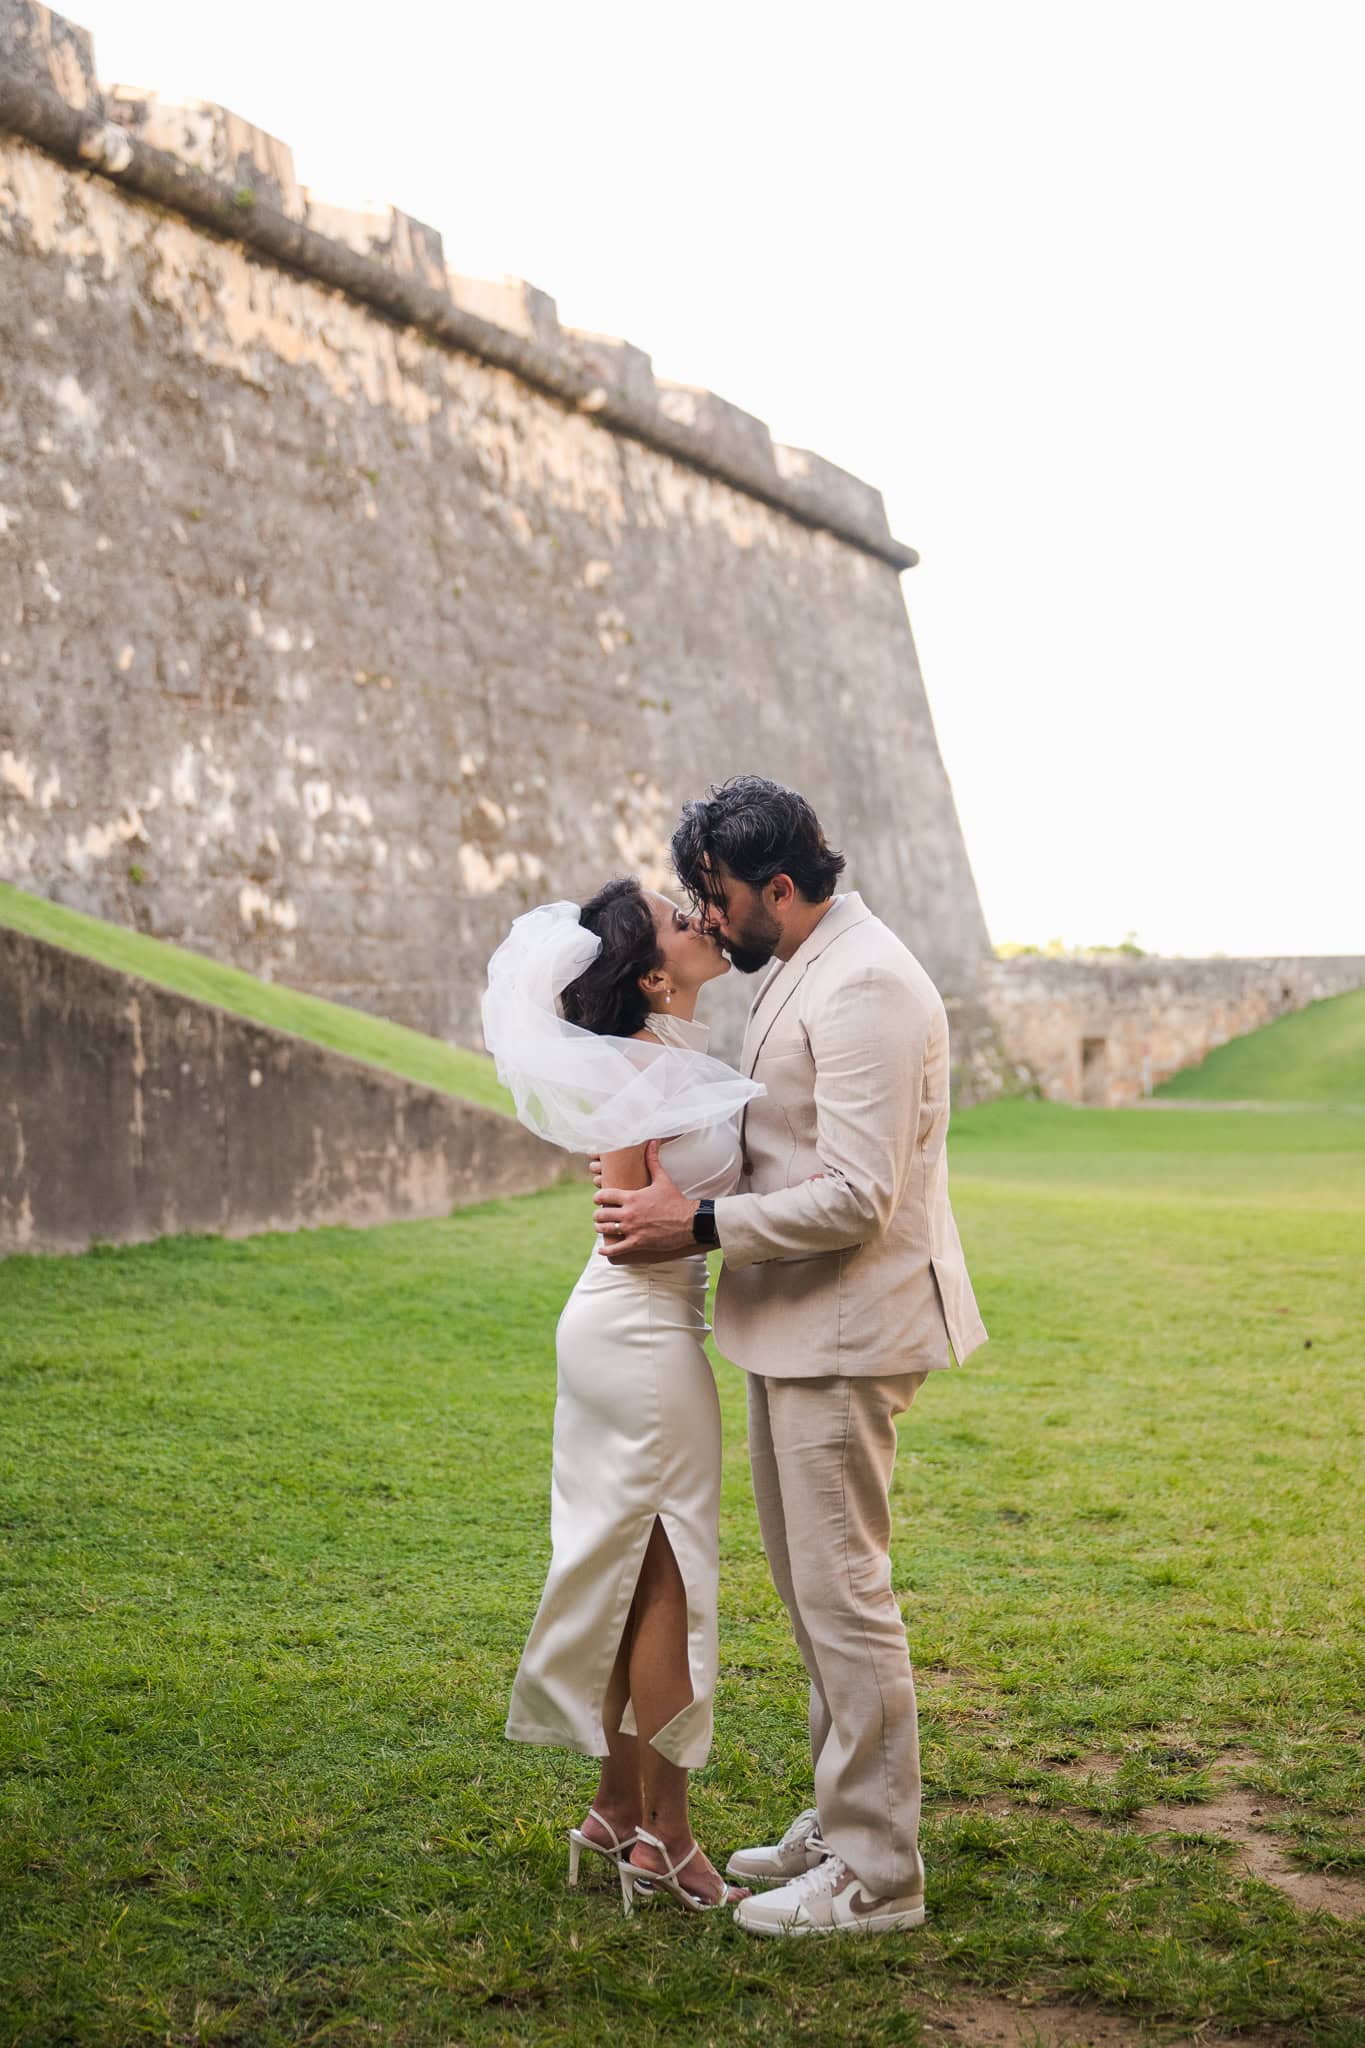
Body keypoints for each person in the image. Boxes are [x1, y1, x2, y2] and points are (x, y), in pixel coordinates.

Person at [593, 776, 988, 1937]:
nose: (709, 918)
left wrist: (698, 1222)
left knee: (845, 1593)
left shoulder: (866, 982)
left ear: (778, 885)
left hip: (849, 1326)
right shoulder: (804, 960)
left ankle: (877, 1871)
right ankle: (842, 1814)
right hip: (796, 1321)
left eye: (718, 895)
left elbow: (860, 1192)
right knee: (816, 1595)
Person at [482, 880, 763, 1914]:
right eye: (679, 920)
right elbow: (628, 1228)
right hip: (641, 1332)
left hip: (640, 1329)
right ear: (651, 976)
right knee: (671, 1581)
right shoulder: (642, 1070)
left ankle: (613, 1809)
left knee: (637, 1577)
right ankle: (666, 1837)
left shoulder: (664, 1061)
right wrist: (712, 1215)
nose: (701, 918)